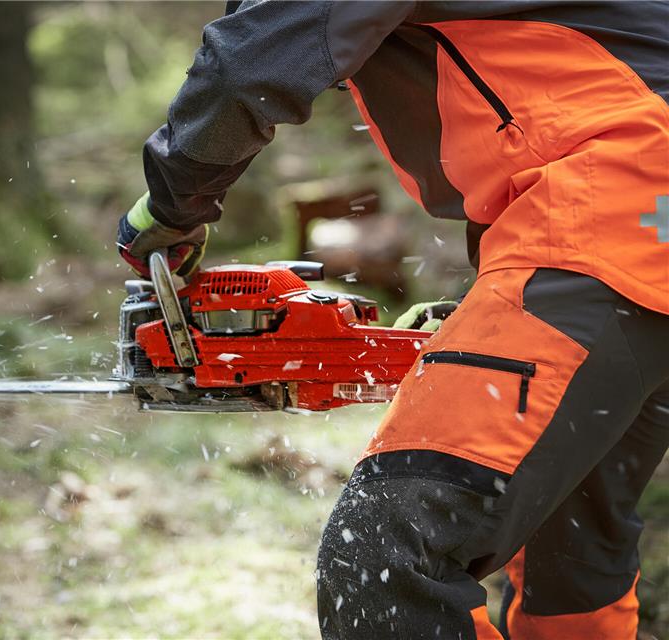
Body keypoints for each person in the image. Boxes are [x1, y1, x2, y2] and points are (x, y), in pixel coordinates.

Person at [116, 2, 669, 638]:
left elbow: (247, 64)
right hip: (624, 221)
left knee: (384, 559)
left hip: (609, 220)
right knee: (570, 556)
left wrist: (174, 201)